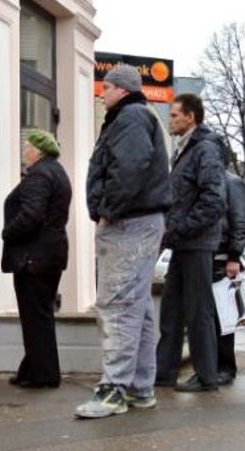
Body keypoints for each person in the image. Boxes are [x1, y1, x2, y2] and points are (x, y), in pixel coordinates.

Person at [75, 64, 171, 419]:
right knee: (138, 308)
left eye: (107, 88)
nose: (102, 95)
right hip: (141, 221)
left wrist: (107, 210)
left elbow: (129, 167)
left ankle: (113, 389)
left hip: (129, 223)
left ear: (121, 90)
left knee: (117, 304)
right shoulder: (138, 117)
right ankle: (139, 388)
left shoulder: (129, 117)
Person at [153, 93, 225, 393]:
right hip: (182, 243)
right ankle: (164, 373)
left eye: (174, 115)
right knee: (171, 311)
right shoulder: (185, 150)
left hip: (196, 243)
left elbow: (213, 200)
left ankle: (206, 375)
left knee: (199, 311)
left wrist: (181, 228)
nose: (170, 120)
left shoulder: (204, 149)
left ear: (190, 117)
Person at [1, 129, 72, 389]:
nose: (24, 152)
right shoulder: (57, 172)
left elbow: (31, 215)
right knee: (40, 315)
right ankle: (32, 368)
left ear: (38, 151)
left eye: (27, 147)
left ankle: (44, 374)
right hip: (49, 254)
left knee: (35, 316)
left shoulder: (40, 175)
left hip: (34, 256)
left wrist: (6, 232)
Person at [211, 135, 245, 386]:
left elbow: (239, 220)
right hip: (211, 254)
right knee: (212, 316)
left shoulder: (232, 183)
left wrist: (234, 255)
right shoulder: (213, 182)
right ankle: (215, 365)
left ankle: (226, 367)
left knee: (223, 317)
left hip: (224, 257)